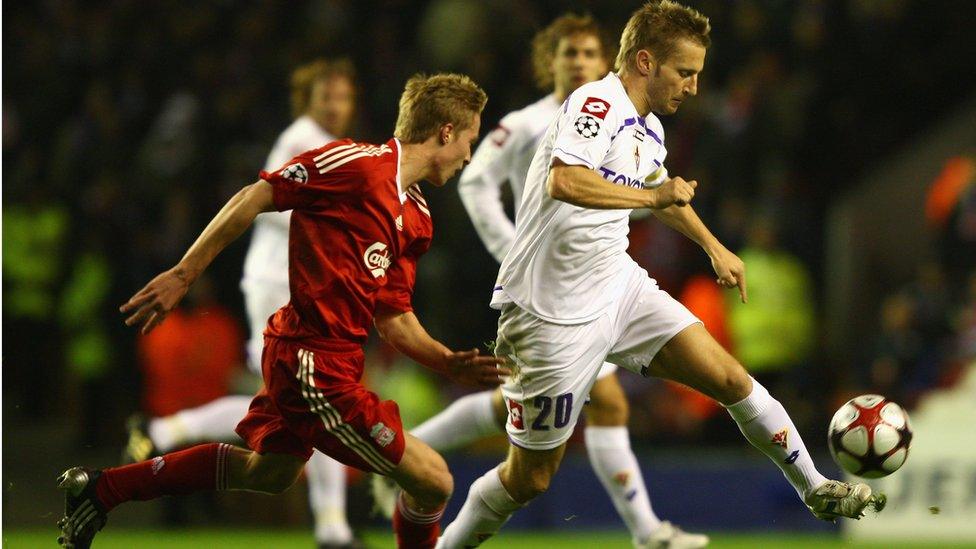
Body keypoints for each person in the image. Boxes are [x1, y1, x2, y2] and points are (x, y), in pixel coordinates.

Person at [437, 2, 883, 547]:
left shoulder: (648, 127)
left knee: (730, 380)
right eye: (686, 72)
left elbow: (664, 193)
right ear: (645, 62)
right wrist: (652, 194)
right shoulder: (595, 102)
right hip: (549, 313)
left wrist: (715, 246)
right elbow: (565, 182)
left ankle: (815, 488)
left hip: (618, 285)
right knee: (530, 478)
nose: (694, 87)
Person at [57, 73, 508, 549]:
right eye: (469, 140)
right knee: (433, 479)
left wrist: (446, 360)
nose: (468, 155)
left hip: (332, 360)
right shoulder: (356, 165)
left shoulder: (416, 216)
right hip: (311, 359)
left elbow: (392, 315)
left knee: (269, 471)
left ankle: (103, 489)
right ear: (445, 132)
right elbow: (255, 196)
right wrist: (184, 274)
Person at [374, 14, 705, 548]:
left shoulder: (628, 120)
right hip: (541, 289)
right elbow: (476, 182)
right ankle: (647, 533)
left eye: (589, 54)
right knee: (567, 411)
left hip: (592, 282)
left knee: (531, 403)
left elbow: (633, 192)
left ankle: (403, 455)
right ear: (548, 63)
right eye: (568, 54)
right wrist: (509, 245)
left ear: (611, 62)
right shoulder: (526, 123)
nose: (579, 63)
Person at [122, 57, 363, 548]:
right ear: (307, 101)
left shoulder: (325, 147)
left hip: (290, 285)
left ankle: (168, 429)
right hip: (280, 284)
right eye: (326, 97)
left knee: (296, 401)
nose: (335, 106)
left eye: (342, 97)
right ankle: (334, 530)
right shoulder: (302, 141)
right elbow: (266, 207)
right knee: (316, 398)